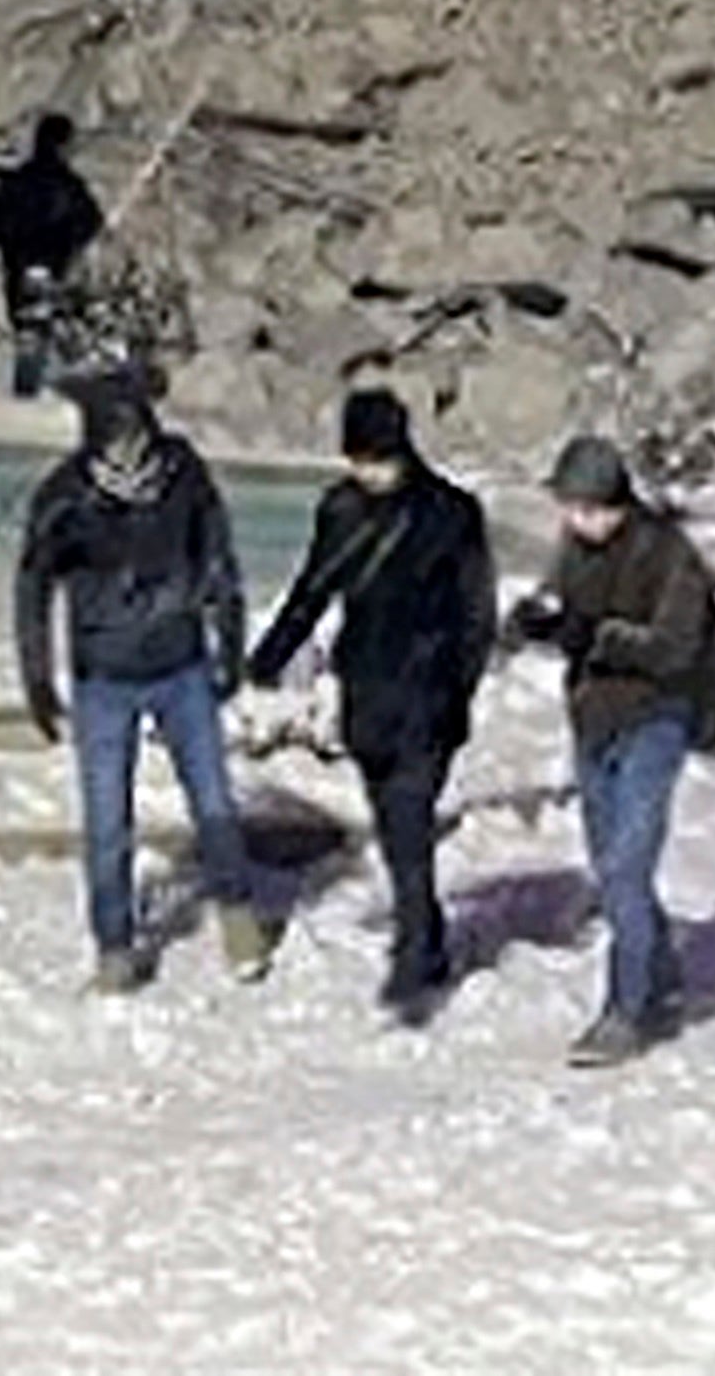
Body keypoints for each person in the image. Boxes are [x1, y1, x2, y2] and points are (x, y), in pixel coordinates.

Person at [13, 361, 279, 991]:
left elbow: (218, 562)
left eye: (133, 427)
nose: (125, 442)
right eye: (112, 430)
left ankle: (239, 915)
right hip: (103, 675)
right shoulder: (64, 495)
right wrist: (37, 679)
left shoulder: (185, 476)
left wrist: (230, 647)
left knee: (213, 804)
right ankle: (114, 945)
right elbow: (33, 587)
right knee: (107, 822)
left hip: (179, 664)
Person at [242, 379, 504, 1012]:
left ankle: (415, 956)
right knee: (394, 824)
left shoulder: (450, 513)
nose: (369, 472)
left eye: (376, 458)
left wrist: (458, 691)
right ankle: (429, 933)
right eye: (358, 459)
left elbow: (477, 614)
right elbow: (314, 588)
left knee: (410, 816)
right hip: (369, 689)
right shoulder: (341, 509)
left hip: (430, 689)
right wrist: (268, 657)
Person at [510, 430, 715, 1068]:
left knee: (626, 870)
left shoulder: (669, 556)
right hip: (592, 722)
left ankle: (625, 1011)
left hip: (655, 721)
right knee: (609, 866)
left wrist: (598, 636)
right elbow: (556, 605)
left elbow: (675, 648)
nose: (575, 521)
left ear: (617, 504)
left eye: (586, 509)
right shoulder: (574, 548)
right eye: (568, 508)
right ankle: (659, 976)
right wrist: (534, 624)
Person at [0, 113, 107, 398]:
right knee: (53, 328)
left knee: (27, 327)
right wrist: (69, 245)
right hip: (55, 266)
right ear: (64, 144)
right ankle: (49, 389)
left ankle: (27, 388)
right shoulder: (69, 184)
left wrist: (10, 247)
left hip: (18, 267)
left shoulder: (17, 180)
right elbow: (91, 222)